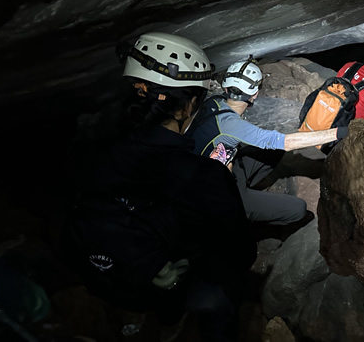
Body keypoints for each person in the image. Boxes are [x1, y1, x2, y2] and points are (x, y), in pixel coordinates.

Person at [62, 32, 256, 342]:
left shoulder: (91, 153)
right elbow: (242, 253)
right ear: (190, 105)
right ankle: (186, 326)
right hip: (165, 290)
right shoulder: (205, 176)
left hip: (105, 277)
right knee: (227, 287)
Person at [186, 56, 348, 229]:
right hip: (214, 194)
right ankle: (243, 221)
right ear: (255, 94)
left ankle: (249, 200)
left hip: (203, 174)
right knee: (298, 209)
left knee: (273, 150)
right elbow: (287, 142)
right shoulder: (232, 125)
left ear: (225, 87)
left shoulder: (213, 102)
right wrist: (339, 132)